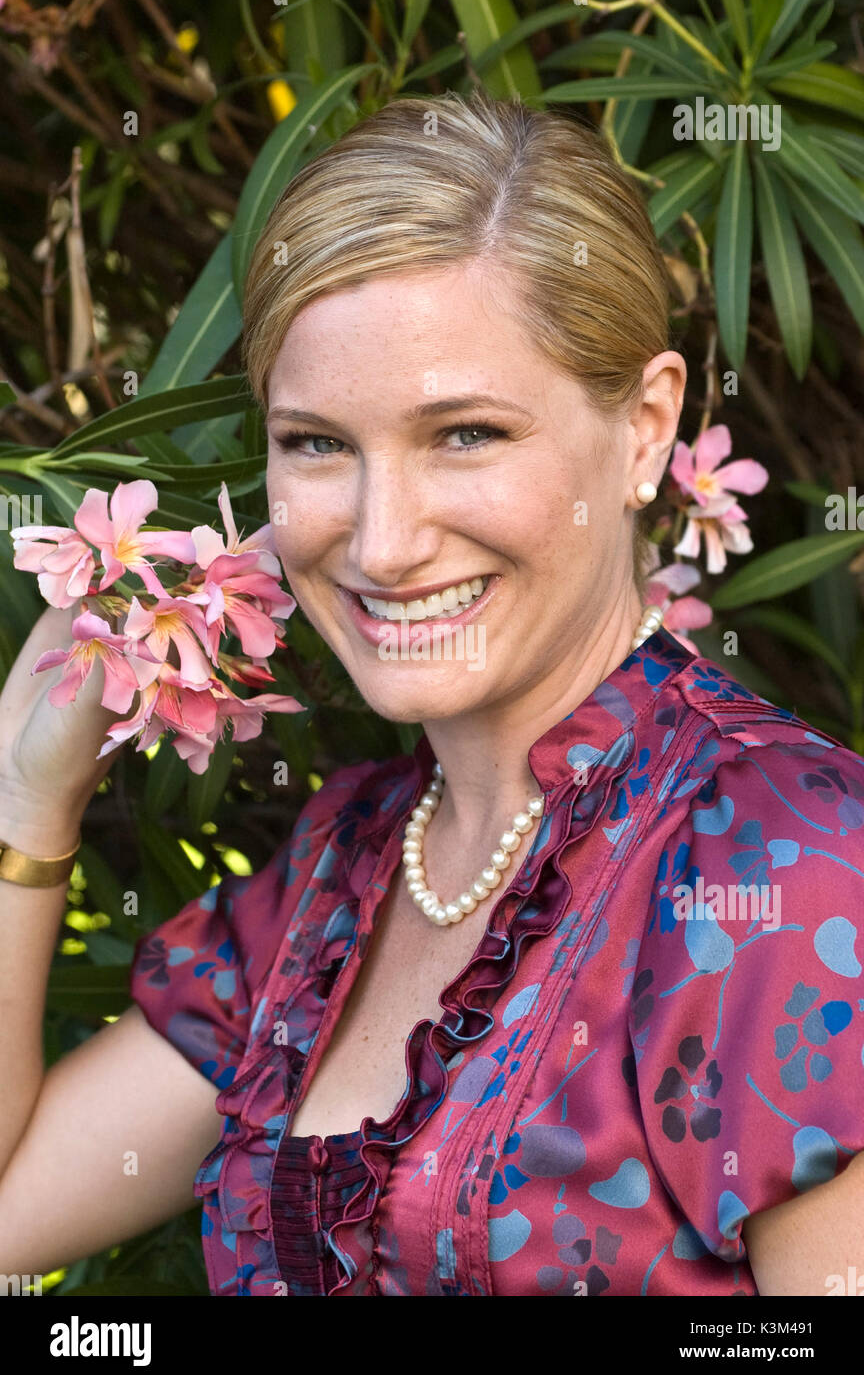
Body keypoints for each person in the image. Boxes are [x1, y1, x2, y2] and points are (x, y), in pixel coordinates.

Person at [1, 91, 862, 1298]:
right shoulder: (338, 872)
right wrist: (30, 803)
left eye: (464, 433)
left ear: (644, 428)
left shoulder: (790, 866)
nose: (382, 542)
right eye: (316, 443)